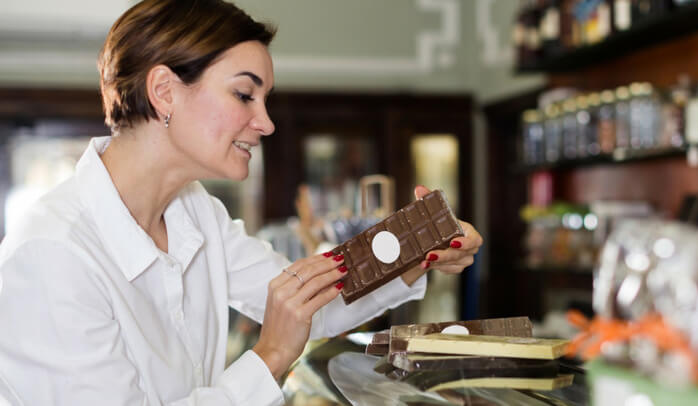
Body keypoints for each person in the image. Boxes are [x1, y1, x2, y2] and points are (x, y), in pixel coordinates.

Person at [0, 1, 484, 405]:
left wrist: (418, 247)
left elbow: (306, 306)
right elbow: (282, 335)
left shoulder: (196, 212)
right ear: (165, 92)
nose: (266, 122)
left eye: (265, 99)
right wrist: (270, 355)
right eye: (244, 94)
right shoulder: (50, 254)